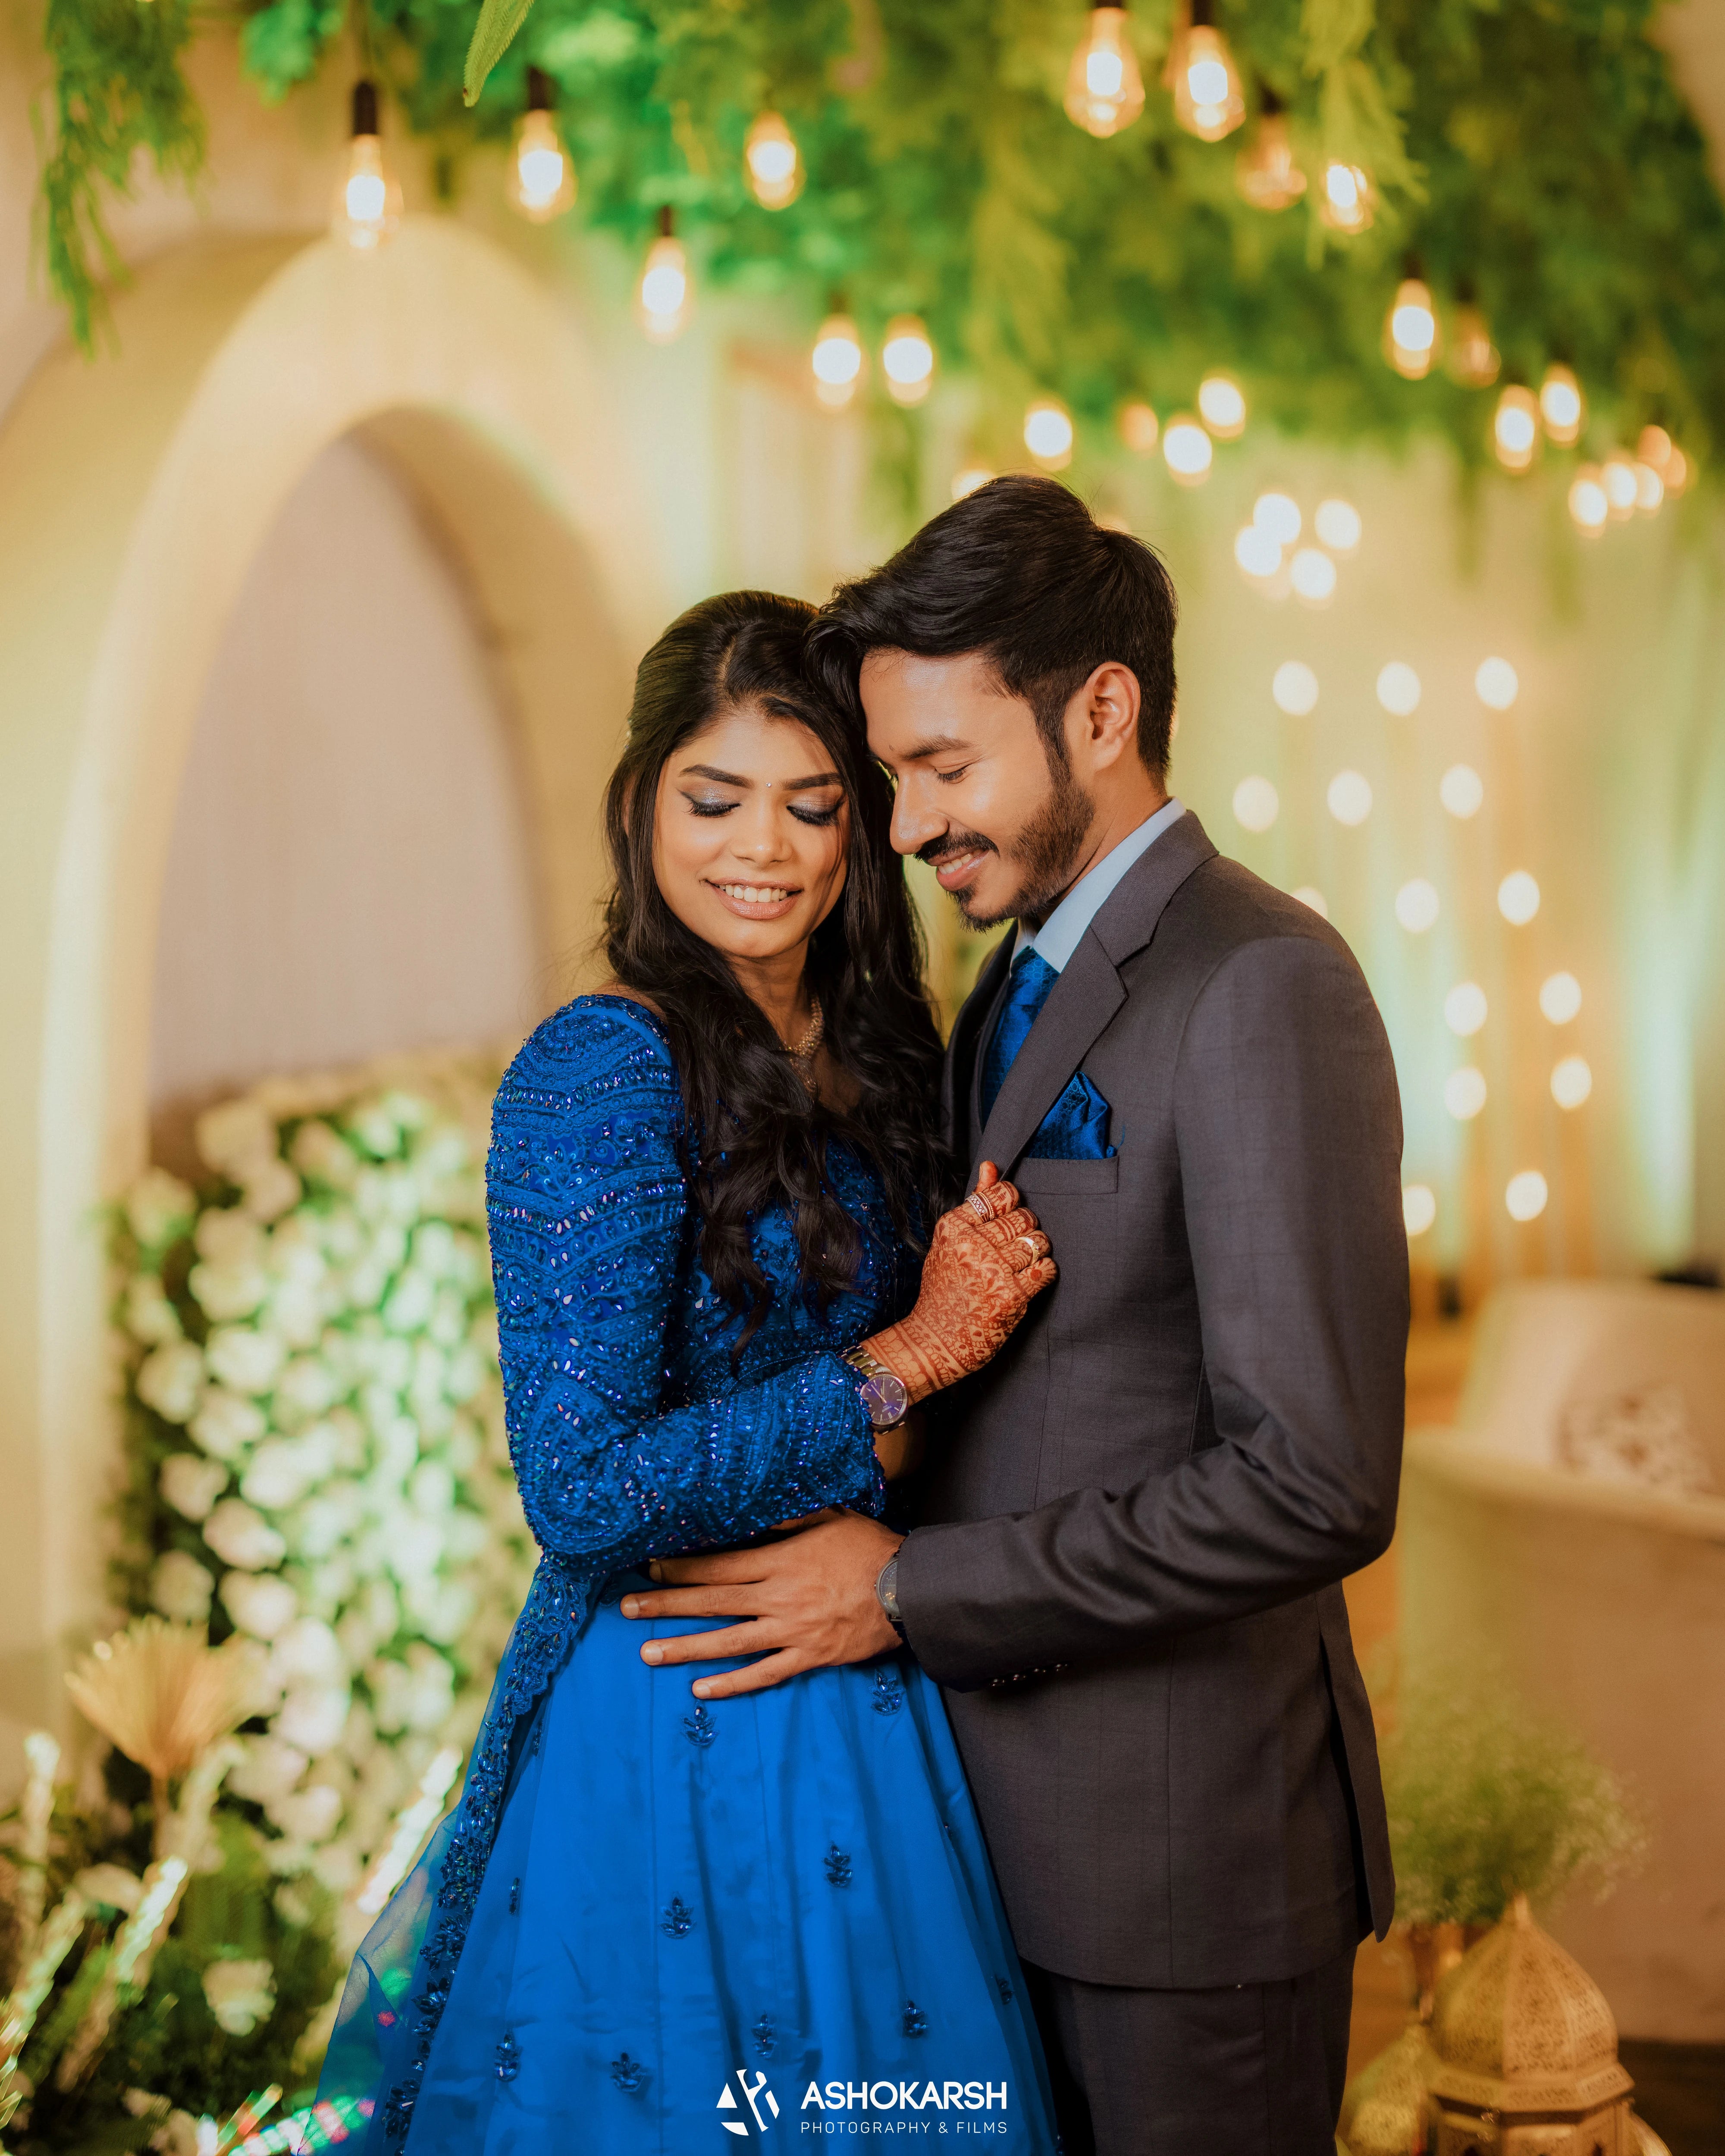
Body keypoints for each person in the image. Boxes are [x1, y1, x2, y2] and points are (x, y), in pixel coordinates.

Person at [623, 479, 1410, 2154]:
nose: (904, 825)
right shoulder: (1009, 977)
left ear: (1102, 713)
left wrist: (906, 1589)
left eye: (941, 767)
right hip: (985, 1847)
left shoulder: (1260, 981)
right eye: (892, 777)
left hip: (1179, 1880)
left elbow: (1314, 1483)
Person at [316, 590, 1063, 2151]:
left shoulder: (888, 1055)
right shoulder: (602, 1067)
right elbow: (581, 1491)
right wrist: (899, 1365)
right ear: (641, 803)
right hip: (674, 1703)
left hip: (874, 1679)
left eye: (810, 805)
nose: (762, 849)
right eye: (713, 801)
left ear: (862, 824)